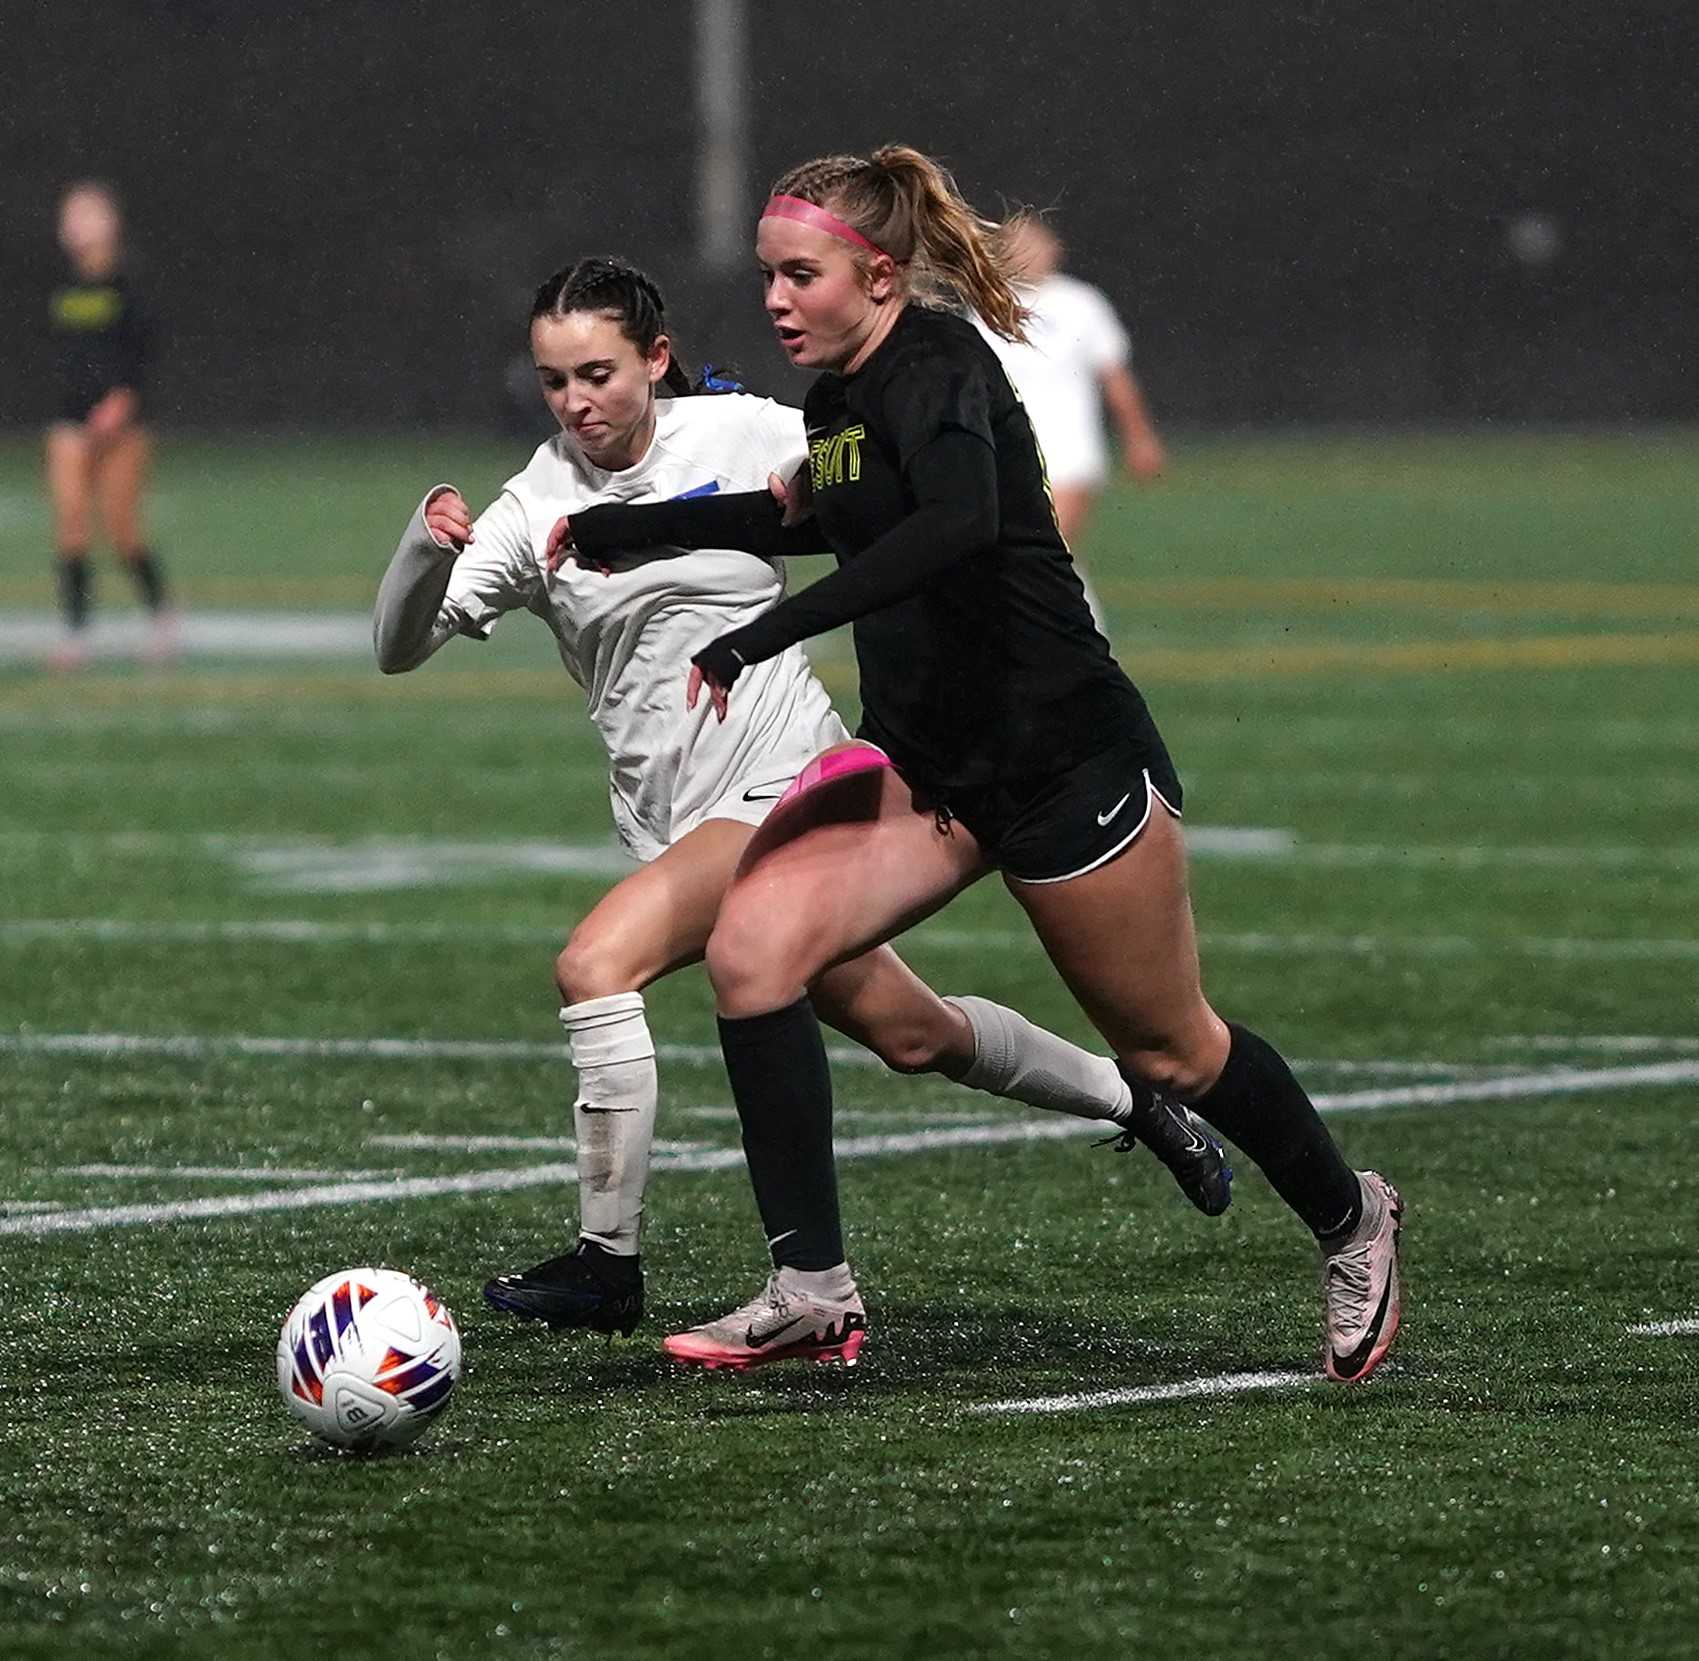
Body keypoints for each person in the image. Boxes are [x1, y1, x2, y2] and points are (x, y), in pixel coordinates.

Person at [552, 149, 1402, 1384]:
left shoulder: (939, 363)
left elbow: (954, 526)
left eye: (801, 275)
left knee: (1172, 1052)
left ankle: (1351, 1215)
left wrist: (763, 631)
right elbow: (804, 518)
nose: (776, 298)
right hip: (929, 771)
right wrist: (630, 527)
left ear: (879, 276)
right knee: (753, 953)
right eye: (769, 276)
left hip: (1062, 759)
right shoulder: (841, 400)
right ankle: (811, 1290)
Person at [372, 255, 1231, 1348]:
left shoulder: (745, 431)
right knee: (914, 1032)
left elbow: (895, 485)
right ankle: (1135, 1101)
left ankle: (607, 1262)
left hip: (787, 780)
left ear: (656, 359)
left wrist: (922, 509)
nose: (576, 400)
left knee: (595, 964)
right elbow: (397, 647)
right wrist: (423, 546)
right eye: (554, 381)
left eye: (597, 372)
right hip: (672, 819)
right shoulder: (534, 502)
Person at [978, 212, 1166, 553]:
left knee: (1046, 545)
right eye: (1015, 244)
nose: (1025, 253)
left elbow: (1114, 377)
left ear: (1054, 248)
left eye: (1033, 243)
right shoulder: (985, 307)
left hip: (1069, 451)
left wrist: (1139, 437)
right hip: (1003, 450)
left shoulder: (1082, 304)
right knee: (1020, 555)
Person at [45, 180, 173, 669]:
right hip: (70, 421)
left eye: (88, 214)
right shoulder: (61, 286)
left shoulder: (130, 283)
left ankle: (161, 616)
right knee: (72, 525)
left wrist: (122, 400)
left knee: (123, 530)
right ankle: (76, 633)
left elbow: (144, 351)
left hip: (123, 425)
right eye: (71, 216)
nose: (77, 225)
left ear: (111, 222)